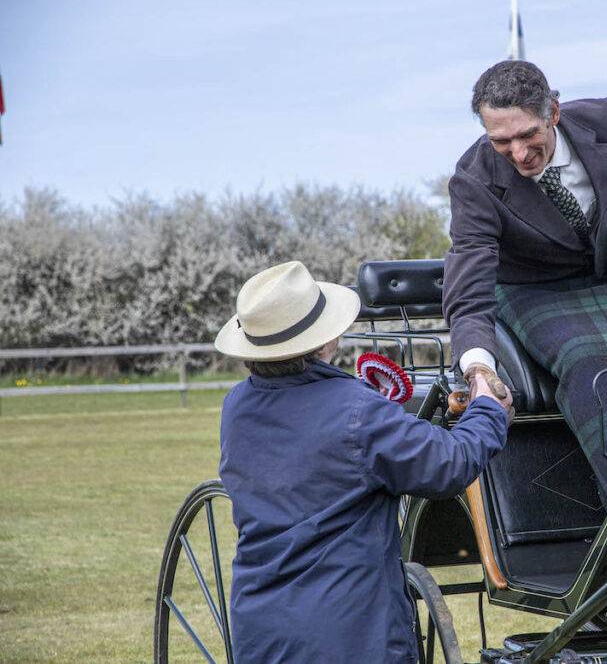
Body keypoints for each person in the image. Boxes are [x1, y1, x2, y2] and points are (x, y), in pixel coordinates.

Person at [215, 260, 512, 663]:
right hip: (353, 637)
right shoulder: (356, 410)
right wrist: (489, 410)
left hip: (260, 633)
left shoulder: (236, 406)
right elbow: (450, 463)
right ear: (325, 341)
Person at [442, 60, 607, 508]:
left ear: (554, 113)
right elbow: (469, 290)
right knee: (590, 368)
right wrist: (479, 371)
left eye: (528, 135)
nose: (518, 154)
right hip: (530, 288)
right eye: (501, 141)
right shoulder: (473, 180)